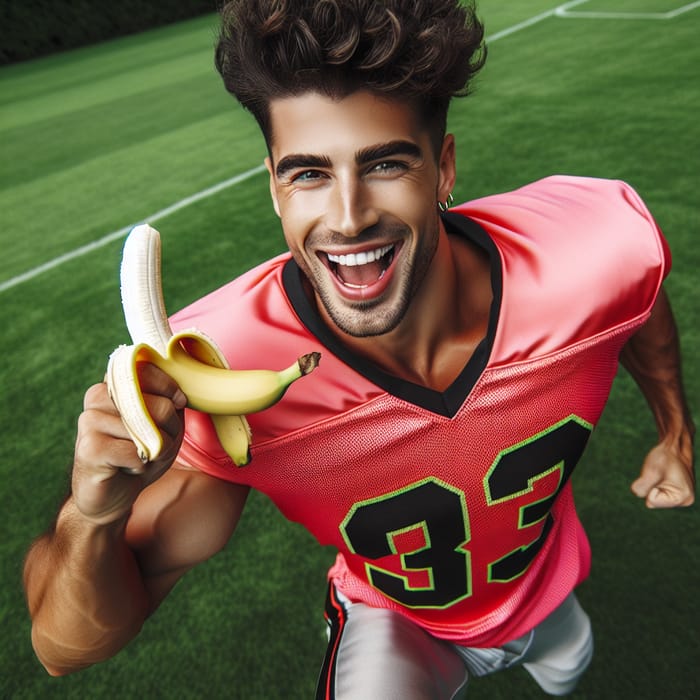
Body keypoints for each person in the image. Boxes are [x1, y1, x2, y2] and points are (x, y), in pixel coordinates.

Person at [24, 1, 695, 697]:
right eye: (308, 173)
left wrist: (675, 431)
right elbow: (63, 649)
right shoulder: (219, 368)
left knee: (569, 671)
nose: (347, 218)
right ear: (274, 187)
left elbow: (638, 297)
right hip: (398, 623)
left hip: (551, 590)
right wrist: (92, 515)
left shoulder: (586, 249)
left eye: (385, 164)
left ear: (443, 168)